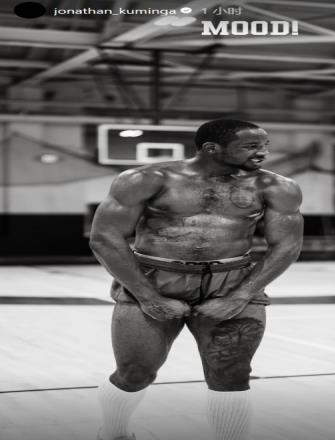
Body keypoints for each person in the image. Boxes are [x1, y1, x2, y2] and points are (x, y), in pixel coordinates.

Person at [90, 119, 303, 440]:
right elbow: (105, 238)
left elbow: (287, 245)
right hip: (154, 280)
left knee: (231, 375)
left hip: (232, 281)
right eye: (251, 146)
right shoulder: (145, 179)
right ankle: (113, 433)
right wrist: (148, 297)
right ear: (211, 148)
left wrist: (240, 295)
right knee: (135, 373)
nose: (262, 153)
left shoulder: (276, 187)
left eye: (264, 146)